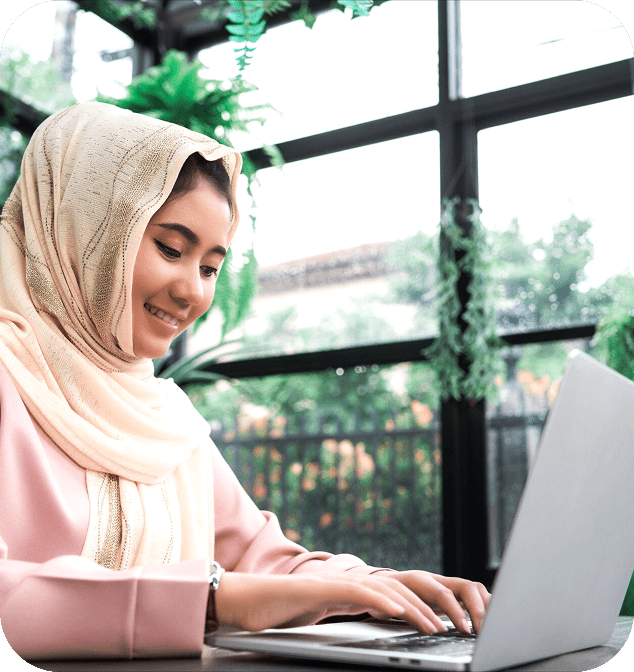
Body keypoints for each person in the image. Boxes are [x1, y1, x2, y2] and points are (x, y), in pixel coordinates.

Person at [0, 102, 490, 661]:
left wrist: (378, 588)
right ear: (83, 229)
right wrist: (211, 598)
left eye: (210, 267)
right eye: (170, 248)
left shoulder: (166, 418)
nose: (193, 293)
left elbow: (262, 559)